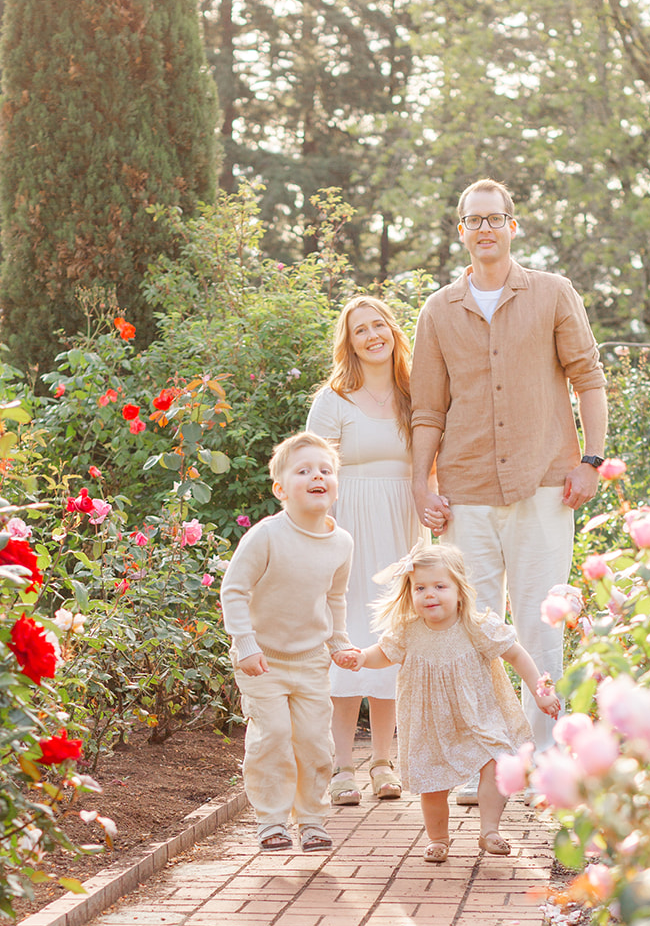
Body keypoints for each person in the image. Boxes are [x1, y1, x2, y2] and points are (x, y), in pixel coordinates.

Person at [409, 177, 607, 802]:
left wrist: (592, 460)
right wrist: (422, 482)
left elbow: (589, 378)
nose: (486, 228)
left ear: (513, 226)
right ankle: (481, 765)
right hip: (465, 489)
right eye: (474, 220)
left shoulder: (551, 293)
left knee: (541, 626)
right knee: (472, 630)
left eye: (496, 218)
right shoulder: (439, 310)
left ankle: (543, 764)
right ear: (461, 230)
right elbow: (427, 410)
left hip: (547, 484)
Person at [338, 544, 560, 863]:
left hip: (478, 715)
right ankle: (438, 838)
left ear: (459, 590)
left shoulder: (476, 625)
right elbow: (383, 653)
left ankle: (490, 831)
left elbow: (516, 653)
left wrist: (541, 691)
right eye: (420, 588)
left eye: (440, 586)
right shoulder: (408, 631)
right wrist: (361, 658)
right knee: (432, 785)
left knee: (496, 764)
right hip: (430, 722)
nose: (430, 594)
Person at [307, 296, 425, 805]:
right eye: (361, 330)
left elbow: (433, 459)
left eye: (380, 325)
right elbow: (314, 468)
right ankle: (340, 767)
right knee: (349, 634)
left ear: (394, 332)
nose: (373, 335)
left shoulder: (414, 392)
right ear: (349, 343)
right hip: (349, 523)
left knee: (393, 636)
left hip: (404, 523)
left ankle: (384, 762)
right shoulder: (334, 398)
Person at [220, 431, 354, 852]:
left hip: (312, 660)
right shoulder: (266, 536)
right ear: (281, 489)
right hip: (262, 659)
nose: (317, 476)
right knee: (274, 734)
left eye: (325, 470)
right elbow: (234, 590)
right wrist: (245, 645)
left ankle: (312, 819)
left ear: (335, 485)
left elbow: (334, 597)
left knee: (315, 739)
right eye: (304, 470)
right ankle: (272, 820)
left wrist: (339, 643)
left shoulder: (341, 543)